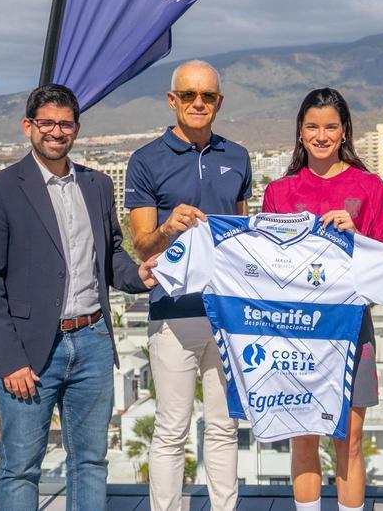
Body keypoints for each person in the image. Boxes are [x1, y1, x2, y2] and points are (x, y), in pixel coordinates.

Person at [0, 83, 156, 511]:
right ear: (28, 127)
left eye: (65, 123)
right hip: (31, 352)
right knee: (20, 467)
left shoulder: (97, 185)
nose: (56, 131)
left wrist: (138, 274)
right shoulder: (0, 189)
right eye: (46, 123)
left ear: (77, 128)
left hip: (92, 341)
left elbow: (108, 256)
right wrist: (11, 357)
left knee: (90, 462)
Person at [261, 87, 383, 511]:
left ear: (344, 133)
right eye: (312, 127)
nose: (321, 135)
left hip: (352, 330)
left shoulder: (370, 187)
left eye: (330, 127)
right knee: (303, 438)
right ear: (300, 134)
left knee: (349, 440)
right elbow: (263, 267)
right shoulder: (278, 192)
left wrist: (356, 237)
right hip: (295, 336)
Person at [126, 60, 251, 511]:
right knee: (172, 426)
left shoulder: (237, 157)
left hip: (226, 312)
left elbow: (240, 234)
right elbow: (142, 247)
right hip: (172, 312)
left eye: (208, 96)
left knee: (224, 425)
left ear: (219, 101)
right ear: (172, 100)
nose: (199, 103)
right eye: (190, 95)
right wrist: (168, 229)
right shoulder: (144, 160)